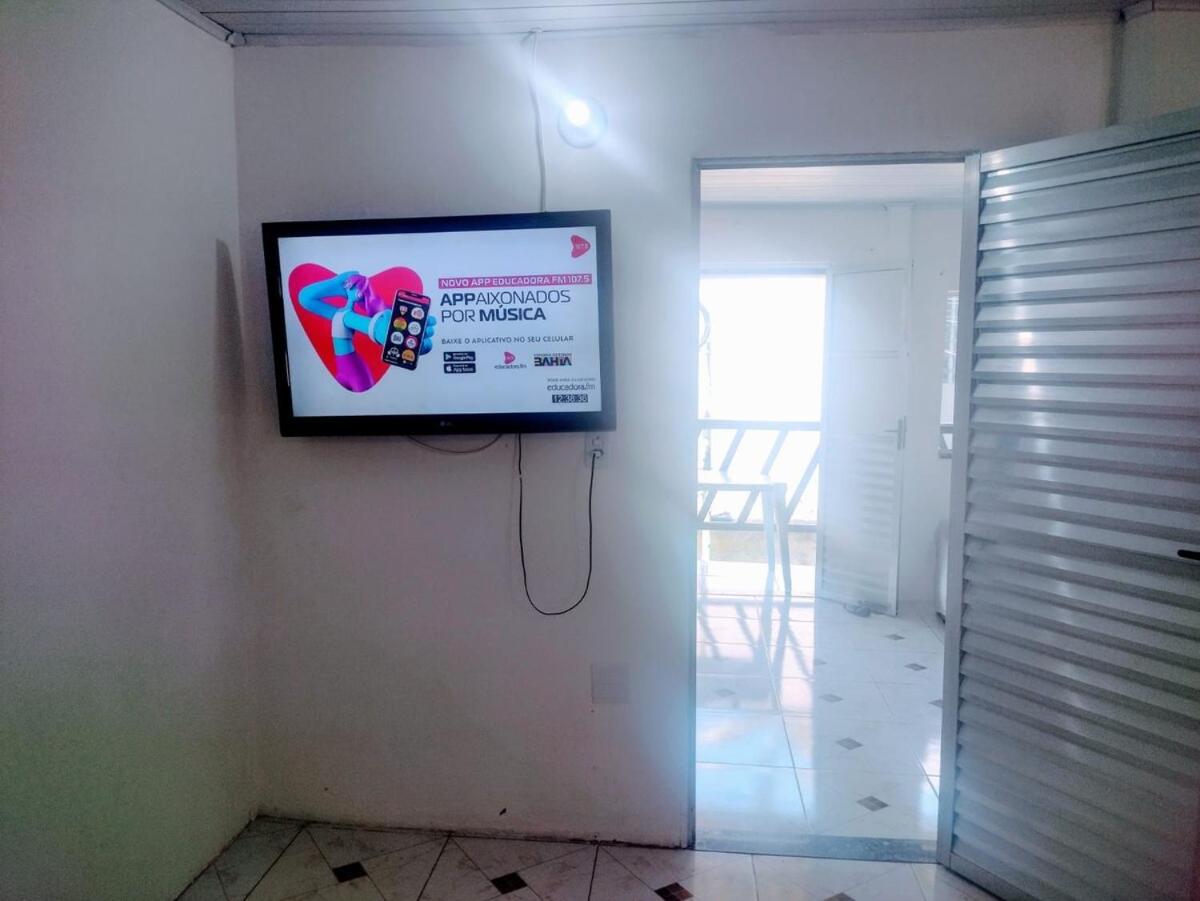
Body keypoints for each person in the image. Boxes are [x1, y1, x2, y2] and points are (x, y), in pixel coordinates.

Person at [296, 270, 437, 392]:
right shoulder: (346, 315)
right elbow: (306, 298)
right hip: (351, 371)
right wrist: (376, 328)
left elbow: (308, 299)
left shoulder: (348, 315)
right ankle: (347, 286)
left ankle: (351, 288)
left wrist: (377, 327)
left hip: (351, 370)